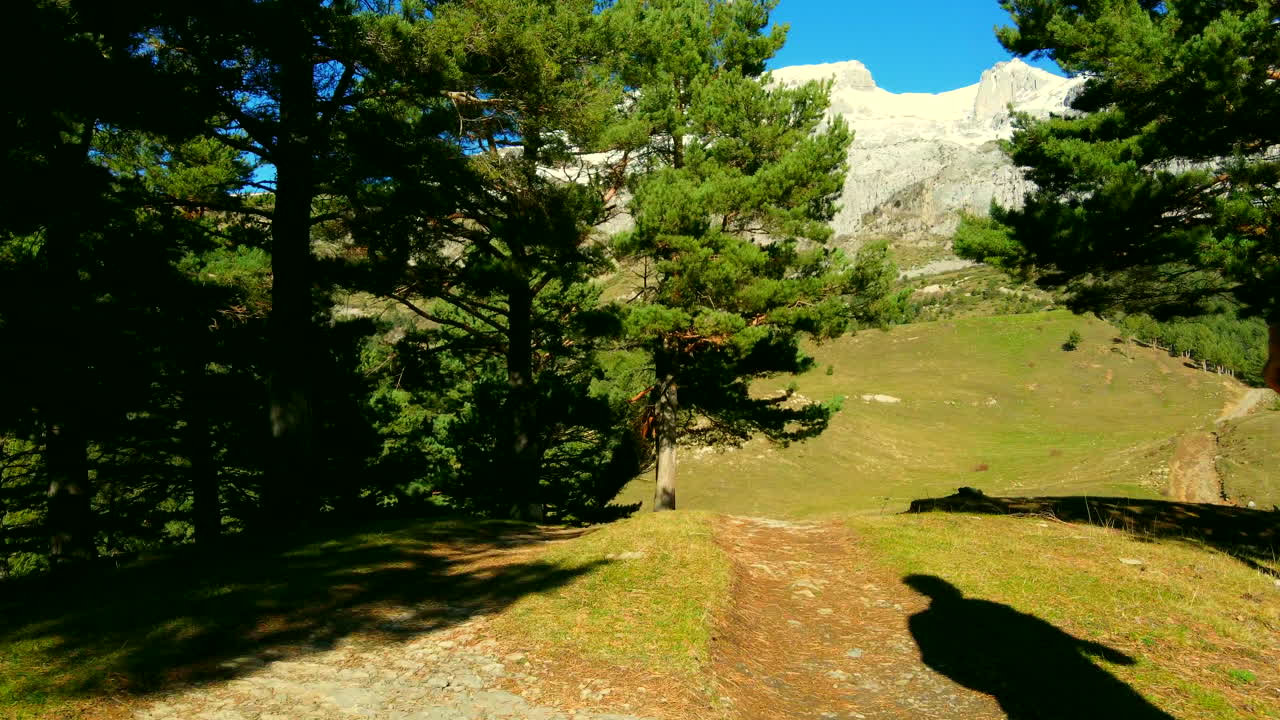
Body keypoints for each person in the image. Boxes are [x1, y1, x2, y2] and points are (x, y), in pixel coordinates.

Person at [904, 575, 1175, 720]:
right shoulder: (934, 618)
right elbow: (934, 657)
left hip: (1056, 671)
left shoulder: (929, 618)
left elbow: (934, 658)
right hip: (1047, 676)